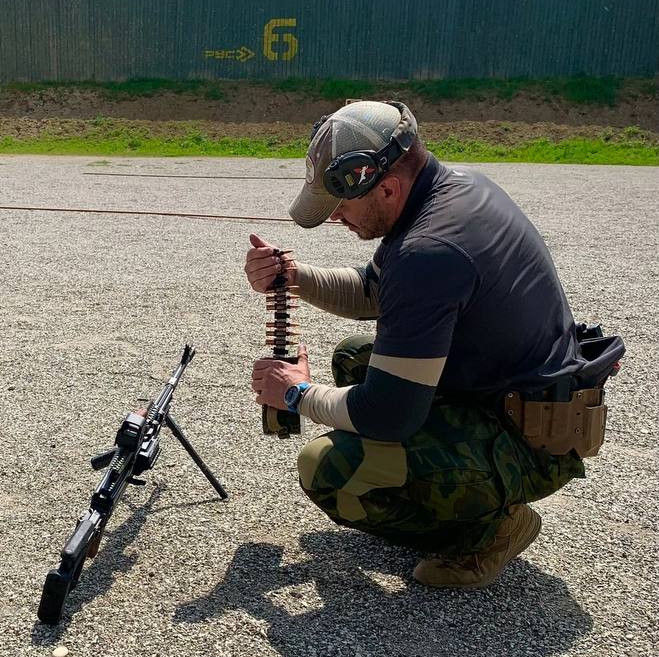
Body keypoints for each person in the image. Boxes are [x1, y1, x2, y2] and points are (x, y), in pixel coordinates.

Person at [248, 100, 621, 589]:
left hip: (530, 443)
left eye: (341, 204)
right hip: (509, 400)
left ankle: (488, 529)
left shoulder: (429, 251)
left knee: (326, 470)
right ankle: (445, 489)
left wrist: (296, 393)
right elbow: (373, 291)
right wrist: (294, 276)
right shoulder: (453, 191)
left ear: (387, 187)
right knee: (355, 357)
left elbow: (387, 415)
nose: (336, 217)